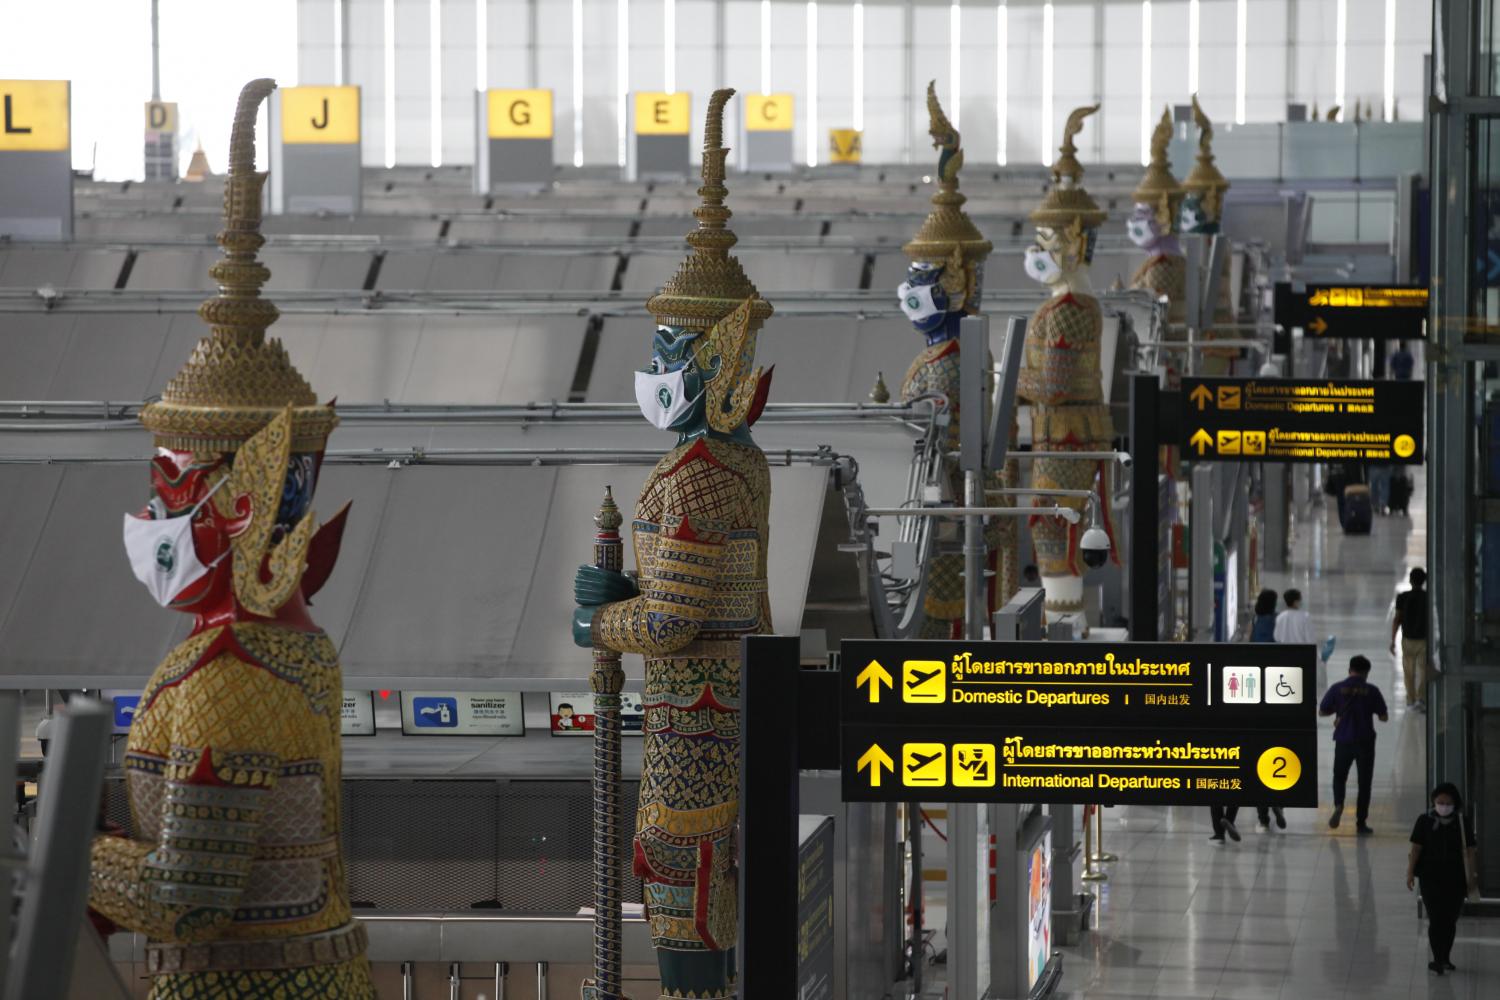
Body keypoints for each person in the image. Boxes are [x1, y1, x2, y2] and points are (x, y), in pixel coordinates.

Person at [1407, 782, 1478, 975]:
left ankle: (1445, 957)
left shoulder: (1462, 822)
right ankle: (1438, 958)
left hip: (1456, 879)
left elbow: (1470, 852)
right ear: (1433, 802)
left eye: (1447, 803)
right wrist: (1410, 872)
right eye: (1440, 802)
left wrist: (1471, 877)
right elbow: (1416, 849)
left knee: (1449, 920)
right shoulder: (1424, 821)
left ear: (1455, 804)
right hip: (1431, 878)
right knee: (1436, 918)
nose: (1443, 806)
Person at [1319, 655, 1389, 835]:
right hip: (1365, 742)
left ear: (1349, 670)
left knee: (1339, 776)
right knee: (1365, 783)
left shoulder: (1337, 688)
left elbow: (1322, 711)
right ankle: (1361, 822)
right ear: (1366, 673)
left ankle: (1339, 804)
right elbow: (1384, 717)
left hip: (1343, 740)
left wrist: (1339, 713)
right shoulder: (1372, 690)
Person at [1391, 568, 1429, 712]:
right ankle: (1421, 699)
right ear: (1424, 581)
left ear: (1410, 580)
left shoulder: (1402, 597)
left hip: (1407, 640)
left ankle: (1410, 700)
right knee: (1423, 671)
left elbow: (1397, 619)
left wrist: (1393, 640)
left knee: (1409, 671)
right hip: (1424, 640)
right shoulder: (1427, 597)